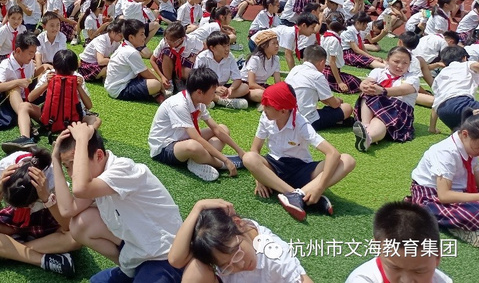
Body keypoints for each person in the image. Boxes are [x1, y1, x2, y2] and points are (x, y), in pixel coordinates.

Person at [55, 123, 185, 283]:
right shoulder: (97, 179)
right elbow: (67, 210)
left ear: (99, 156)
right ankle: (131, 270)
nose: (72, 174)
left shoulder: (124, 169)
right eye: (67, 167)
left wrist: (82, 139)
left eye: (75, 163)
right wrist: (55, 160)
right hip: (139, 253)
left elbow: (80, 188)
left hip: (165, 257)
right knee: (79, 224)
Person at [242, 82, 356, 221]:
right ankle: (298, 195)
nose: (263, 108)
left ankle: (300, 195)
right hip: (274, 166)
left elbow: (333, 153)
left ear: (283, 110)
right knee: (249, 157)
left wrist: (320, 187)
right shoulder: (266, 118)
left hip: (302, 169)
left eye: (267, 106)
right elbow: (255, 149)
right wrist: (259, 179)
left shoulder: (301, 123)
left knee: (347, 160)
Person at [0, 147, 79, 277]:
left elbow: (67, 225)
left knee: (75, 238)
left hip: (46, 217)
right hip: (14, 221)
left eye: (28, 205)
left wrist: (46, 197)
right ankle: (43, 260)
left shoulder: (51, 174)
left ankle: (7, 250)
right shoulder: (5, 166)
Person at [167, 199, 311, 283]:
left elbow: (303, 279)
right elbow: (175, 259)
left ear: (238, 223)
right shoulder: (214, 242)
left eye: (237, 252)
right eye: (226, 265)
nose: (240, 264)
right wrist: (198, 207)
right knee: (196, 268)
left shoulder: (274, 254)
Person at [148, 67, 244, 181]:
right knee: (194, 146)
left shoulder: (198, 102)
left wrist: (240, 151)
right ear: (199, 92)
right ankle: (220, 164)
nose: (214, 95)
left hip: (183, 139)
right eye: (212, 92)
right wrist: (225, 161)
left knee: (223, 129)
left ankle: (198, 161)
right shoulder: (178, 105)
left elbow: (216, 129)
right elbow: (197, 139)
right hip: (164, 147)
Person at [409, 113, 479, 248]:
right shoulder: (446, 152)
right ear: (465, 134)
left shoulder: (471, 148)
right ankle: (461, 228)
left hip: (461, 191)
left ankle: (464, 225)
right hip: (431, 196)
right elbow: (444, 195)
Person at [346, 201, 452, 282]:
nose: (406, 280)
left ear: (437, 256)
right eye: (395, 268)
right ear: (378, 247)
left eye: (419, 271)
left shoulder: (442, 280)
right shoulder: (363, 279)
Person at [352, 46, 420, 153]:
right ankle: (365, 127)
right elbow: (367, 81)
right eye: (396, 61)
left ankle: (367, 136)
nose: (400, 66)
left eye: (405, 63)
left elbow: (403, 90)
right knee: (369, 91)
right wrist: (363, 85)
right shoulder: (378, 72)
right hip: (375, 108)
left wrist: (383, 91)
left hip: (398, 110)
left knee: (379, 120)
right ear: (387, 60)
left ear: (409, 64)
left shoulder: (412, 78)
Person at [0, 32, 41, 153]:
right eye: (30, 53)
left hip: (24, 99)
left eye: (34, 53)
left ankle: (28, 121)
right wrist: (17, 82)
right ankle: (27, 124)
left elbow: (32, 75)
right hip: (6, 102)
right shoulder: (5, 66)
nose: (33, 56)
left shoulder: (28, 63)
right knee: (14, 88)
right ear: (18, 51)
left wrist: (44, 68)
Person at [286, 45, 353, 131]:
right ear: (322, 62)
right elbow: (334, 104)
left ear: (304, 59)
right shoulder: (317, 76)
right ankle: (337, 121)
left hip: (287, 116)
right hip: (306, 121)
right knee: (347, 107)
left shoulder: (295, 69)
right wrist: (339, 100)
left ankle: (337, 121)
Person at [104, 18, 164, 102]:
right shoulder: (131, 52)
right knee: (155, 84)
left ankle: (155, 94)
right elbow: (146, 74)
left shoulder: (125, 46)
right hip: (119, 89)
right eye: (142, 34)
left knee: (150, 72)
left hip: (114, 85)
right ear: (131, 37)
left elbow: (144, 69)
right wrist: (161, 85)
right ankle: (155, 94)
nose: (145, 37)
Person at [431, 45, 479, 132]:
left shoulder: (440, 75)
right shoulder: (466, 64)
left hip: (442, 112)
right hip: (461, 103)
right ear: (464, 58)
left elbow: (435, 103)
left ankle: (458, 131)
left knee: (468, 130)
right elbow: (477, 65)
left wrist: (432, 128)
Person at [193, 31, 249, 109]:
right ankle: (222, 101)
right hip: (206, 87)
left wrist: (230, 89)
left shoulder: (230, 57)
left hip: (223, 88)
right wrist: (214, 88)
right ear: (212, 48)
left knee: (245, 87)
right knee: (197, 91)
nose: (227, 49)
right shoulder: (202, 58)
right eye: (223, 46)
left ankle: (210, 99)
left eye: (228, 45)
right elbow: (197, 80)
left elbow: (237, 79)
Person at [150, 21, 203, 91]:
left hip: (183, 66)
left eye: (172, 40)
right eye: (166, 39)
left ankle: (179, 80)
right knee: (167, 52)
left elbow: (203, 48)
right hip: (167, 66)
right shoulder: (164, 42)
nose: (168, 42)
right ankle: (169, 82)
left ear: (181, 39)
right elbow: (152, 60)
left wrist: (194, 56)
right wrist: (162, 77)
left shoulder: (192, 41)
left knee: (190, 72)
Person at [320, 20, 361, 94]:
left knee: (355, 80)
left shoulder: (324, 36)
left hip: (324, 70)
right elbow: (332, 62)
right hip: (331, 72)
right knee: (356, 84)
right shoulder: (334, 40)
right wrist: (340, 82)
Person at [241, 30, 281, 102]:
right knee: (261, 94)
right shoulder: (255, 59)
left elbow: (278, 82)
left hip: (261, 86)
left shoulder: (276, 59)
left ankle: (265, 100)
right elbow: (251, 84)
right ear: (263, 46)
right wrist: (268, 91)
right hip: (246, 86)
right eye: (273, 43)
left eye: (277, 43)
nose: (277, 46)